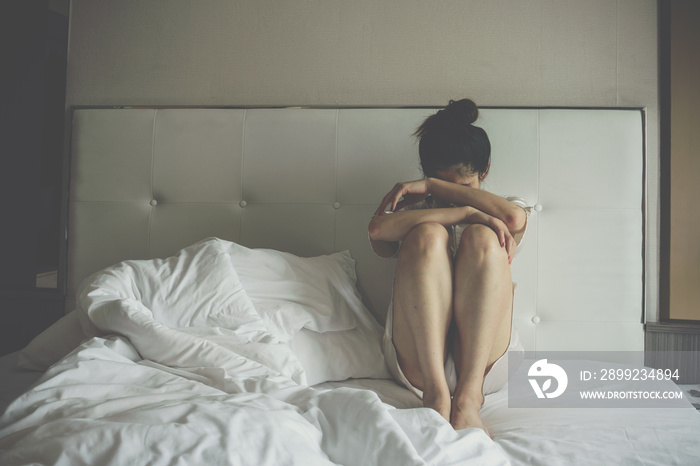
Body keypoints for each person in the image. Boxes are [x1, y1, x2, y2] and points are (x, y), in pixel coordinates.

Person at [368, 99, 529, 435]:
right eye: (442, 189)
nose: (452, 199)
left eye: (463, 188)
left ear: (483, 173)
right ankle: (437, 395)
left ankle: (469, 400)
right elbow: (378, 232)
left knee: (484, 237)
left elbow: (513, 220)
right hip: (419, 363)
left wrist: (435, 188)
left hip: (485, 367)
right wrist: (464, 212)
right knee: (426, 234)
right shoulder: (418, 213)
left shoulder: (503, 210)